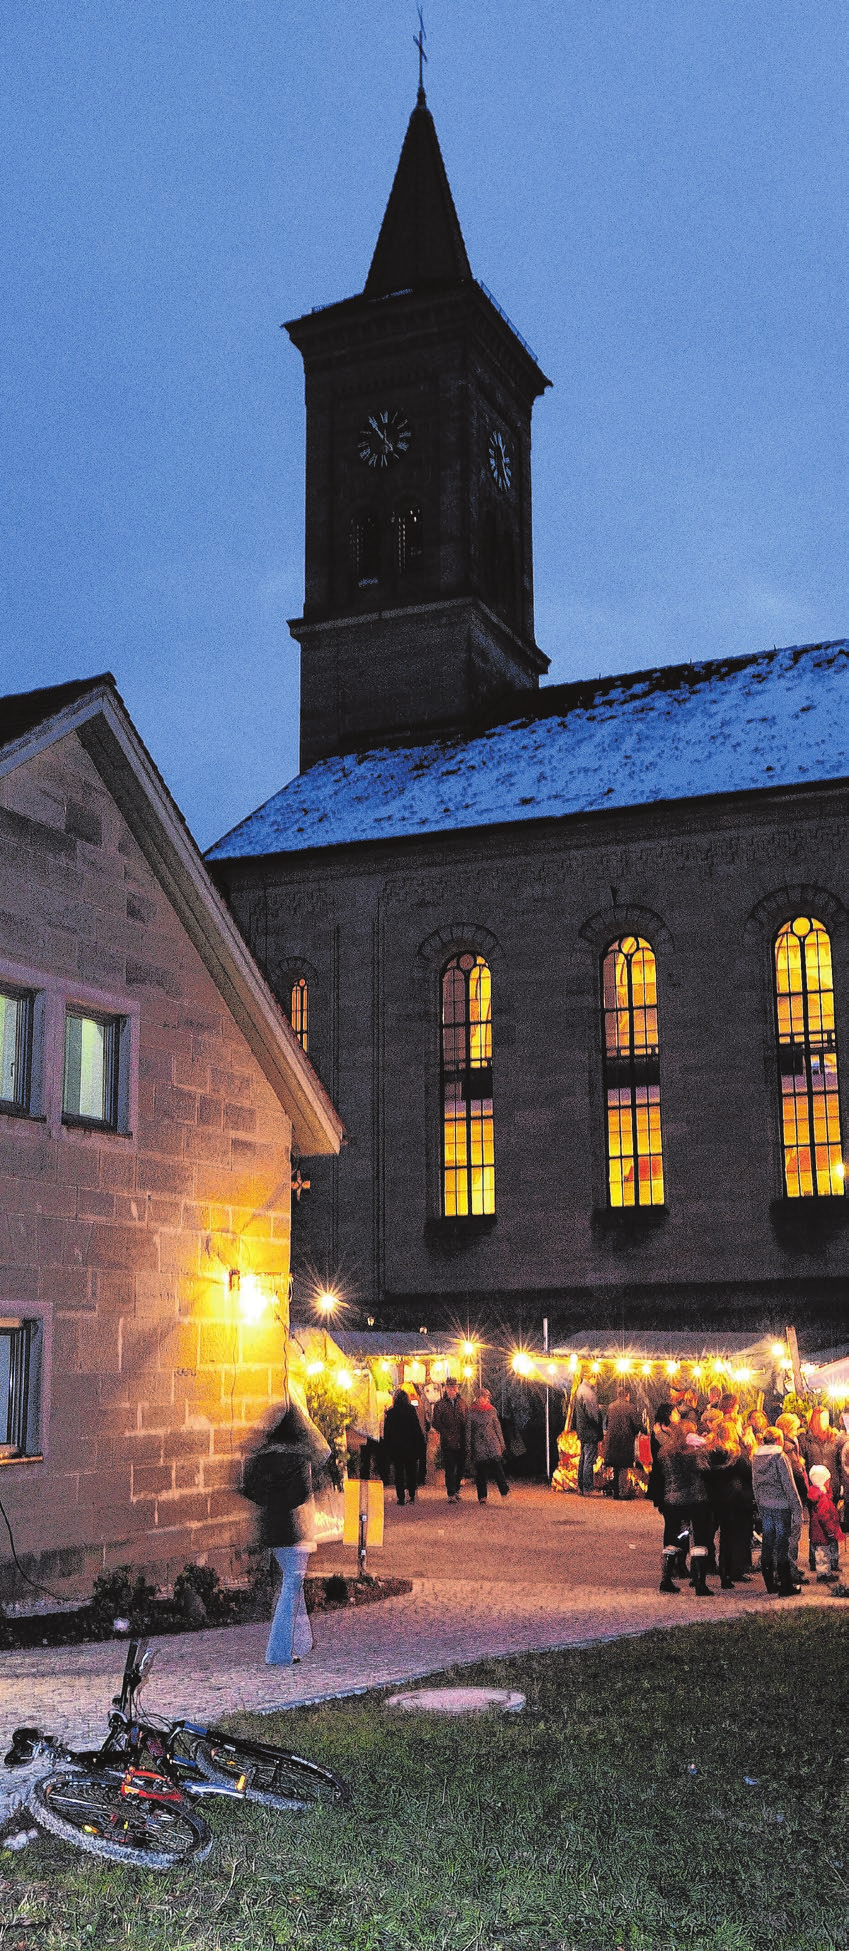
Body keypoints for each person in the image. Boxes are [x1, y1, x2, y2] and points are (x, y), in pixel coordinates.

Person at [257, 1395, 331, 1666]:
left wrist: (271, 1502)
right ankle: (278, 1652)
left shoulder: (263, 1454)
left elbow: (247, 1488)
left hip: (271, 1530)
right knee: (291, 1587)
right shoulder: (296, 1456)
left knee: (292, 1586)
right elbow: (302, 1494)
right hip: (293, 1531)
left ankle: (298, 1643)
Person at [656, 1414, 714, 1593]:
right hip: (696, 1500)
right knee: (700, 1539)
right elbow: (705, 1470)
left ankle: (666, 1579)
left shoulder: (665, 1452)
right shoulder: (695, 1453)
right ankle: (699, 1582)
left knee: (673, 1538)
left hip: (673, 1500)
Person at [751, 1427, 802, 1598]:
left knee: (768, 1541)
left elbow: (755, 1484)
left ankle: (769, 1583)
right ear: (778, 1439)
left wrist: (759, 1503)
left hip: (765, 1505)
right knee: (782, 1543)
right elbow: (788, 1484)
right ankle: (785, 1584)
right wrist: (797, 1506)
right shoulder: (780, 1457)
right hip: (781, 1505)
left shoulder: (755, 1457)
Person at [382, 1388, 427, 1506]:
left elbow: (387, 1432)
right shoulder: (411, 1410)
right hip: (410, 1446)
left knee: (399, 1473)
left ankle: (400, 1497)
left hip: (396, 1447)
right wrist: (420, 1444)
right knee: (411, 1471)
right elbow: (416, 1428)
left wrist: (387, 1447)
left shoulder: (391, 1413)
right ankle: (411, 1495)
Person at [467, 1387, 510, 1502]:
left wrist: (501, 1443)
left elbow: (497, 1427)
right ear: (477, 1398)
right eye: (481, 1397)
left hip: (492, 1443)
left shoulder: (492, 1410)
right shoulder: (471, 1411)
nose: (483, 1400)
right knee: (481, 1471)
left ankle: (504, 1491)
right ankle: (482, 1496)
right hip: (478, 1444)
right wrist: (469, 1446)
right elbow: (469, 1430)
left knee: (498, 1468)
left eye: (485, 1397)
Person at [602, 1389, 643, 1500]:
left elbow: (606, 1423)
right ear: (627, 1395)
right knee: (623, 1468)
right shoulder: (631, 1408)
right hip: (625, 1440)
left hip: (613, 1441)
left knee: (615, 1466)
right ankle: (623, 1492)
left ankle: (616, 1492)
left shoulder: (611, 1406)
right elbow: (637, 1424)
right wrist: (636, 1432)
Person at [432, 1376, 467, 1502]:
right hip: (448, 1441)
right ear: (446, 1389)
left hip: (461, 1440)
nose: (452, 1390)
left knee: (461, 1467)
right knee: (450, 1467)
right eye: (450, 1387)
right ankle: (451, 1492)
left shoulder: (462, 1403)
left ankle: (457, 1488)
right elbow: (435, 1422)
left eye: (454, 1387)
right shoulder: (440, 1405)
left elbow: (466, 1419)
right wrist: (445, 1432)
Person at [808, 1464, 841, 1580]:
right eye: (827, 1480)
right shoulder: (823, 1499)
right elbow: (825, 1517)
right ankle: (824, 1574)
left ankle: (824, 1573)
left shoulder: (817, 1496)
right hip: (822, 1533)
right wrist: (831, 1531)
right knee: (823, 1554)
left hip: (817, 1532)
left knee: (820, 1553)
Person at [574, 1370, 604, 1495]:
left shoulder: (580, 1389)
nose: (597, 1381)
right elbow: (593, 1415)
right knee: (589, 1459)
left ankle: (581, 1486)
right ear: (592, 1377)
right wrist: (599, 1420)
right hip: (590, 1431)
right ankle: (588, 1488)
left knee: (583, 1458)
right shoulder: (588, 1392)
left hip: (582, 1429)